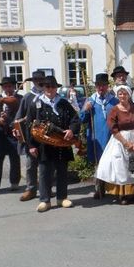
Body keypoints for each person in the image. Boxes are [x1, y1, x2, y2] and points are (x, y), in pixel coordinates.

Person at [25, 75, 80, 212]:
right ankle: (45, 200)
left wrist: (71, 130)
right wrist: (31, 145)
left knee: (62, 171)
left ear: (56, 88)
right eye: (47, 87)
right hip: (44, 144)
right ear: (43, 88)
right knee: (44, 172)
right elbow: (29, 126)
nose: (50, 89)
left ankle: (62, 198)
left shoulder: (64, 103)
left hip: (62, 142)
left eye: (53, 87)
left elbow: (75, 119)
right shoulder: (36, 104)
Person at [96, 85, 134, 204]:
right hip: (120, 139)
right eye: (120, 94)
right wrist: (125, 142)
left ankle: (133, 193)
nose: (122, 96)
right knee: (120, 166)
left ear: (129, 95)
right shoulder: (115, 110)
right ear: (118, 95)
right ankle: (122, 194)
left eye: (125, 93)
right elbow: (113, 128)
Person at [80, 73, 118, 198]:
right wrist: (85, 109)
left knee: (112, 162)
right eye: (98, 85)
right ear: (96, 86)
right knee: (99, 163)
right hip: (97, 137)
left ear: (107, 86)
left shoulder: (114, 101)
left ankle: (113, 188)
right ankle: (99, 188)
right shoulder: (90, 100)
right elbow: (81, 120)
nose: (101, 88)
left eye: (103, 85)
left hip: (111, 137)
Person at [13, 70, 46, 202]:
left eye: (41, 80)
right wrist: (15, 128)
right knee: (30, 165)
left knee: (46, 164)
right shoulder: (27, 97)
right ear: (33, 81)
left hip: (46, 136)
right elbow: (18, 117)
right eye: (36, 80)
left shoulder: (48, 95)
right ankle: (31, 189)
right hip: (30, 137)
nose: (39, 82)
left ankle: (46, 188)